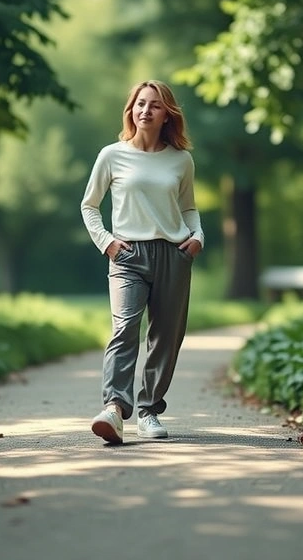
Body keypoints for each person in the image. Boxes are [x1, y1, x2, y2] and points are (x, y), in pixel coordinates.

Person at [80, 79, 204, 444]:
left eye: (154, 105)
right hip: (127, 255)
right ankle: (115, 409)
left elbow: (188, 208)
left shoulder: (181, 160)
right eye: (139, 104)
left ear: (168, 115)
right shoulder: (111, 155)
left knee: (166, 336)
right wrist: (107, 243)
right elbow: (89, 206)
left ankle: (149, 410)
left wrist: (197, 238)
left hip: (173, 253)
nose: (145, 110)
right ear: (130, 110)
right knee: (124, 327)